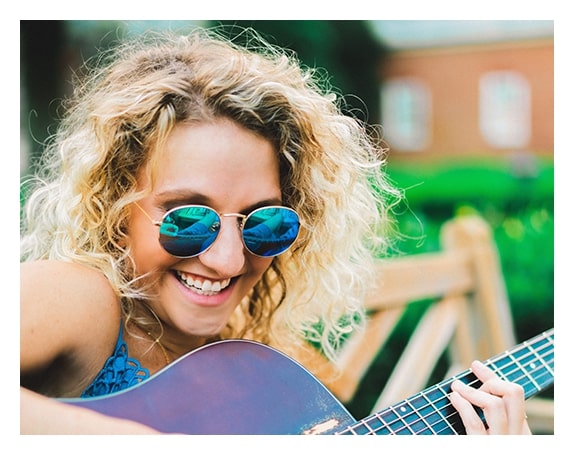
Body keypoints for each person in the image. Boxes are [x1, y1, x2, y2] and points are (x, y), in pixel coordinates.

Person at [20, 27, 530, 435]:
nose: (227, 261)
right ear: (116, 209)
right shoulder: (82, 298)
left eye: (265, 222)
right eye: (187, 219)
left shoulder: (265, 368)